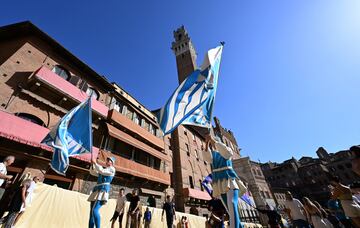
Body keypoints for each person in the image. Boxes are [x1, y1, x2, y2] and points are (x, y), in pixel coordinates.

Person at [203, 133, 247, 228]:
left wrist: (213, 140)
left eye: (213, 142)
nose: (213, 144)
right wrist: (206, 143)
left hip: (229, 181)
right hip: (219, 183)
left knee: (232, 204)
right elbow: (207, 158)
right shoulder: (213, 155)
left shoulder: (227, 150)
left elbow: (226, 153)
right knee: (230, 211)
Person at [88, 156, 115, 228]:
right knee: (91, 212)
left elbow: (102, 171)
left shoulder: (112, 169)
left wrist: (95, 163)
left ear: (112, 163)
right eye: (107, 160)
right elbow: (93, 172)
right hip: (97, 190)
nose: (107, 161)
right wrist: (92, 165)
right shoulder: (103, 169)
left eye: (109, 160)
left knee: (94, 210)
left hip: (103, 190)